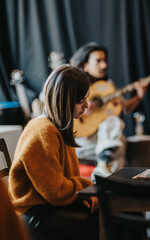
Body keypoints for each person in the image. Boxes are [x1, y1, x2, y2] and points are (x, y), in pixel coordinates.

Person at [8, 65, 99, 240]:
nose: (87, 106)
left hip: (49, 205)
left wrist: (82, 195)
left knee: (118, 212)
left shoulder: (57, 128)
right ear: (65, 100)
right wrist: (87, 187)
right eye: (81, 101)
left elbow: (62, 183)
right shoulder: (43, 131)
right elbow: (55, 192)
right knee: (110, 219)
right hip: (37, 213)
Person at [69, 42, 148, 177]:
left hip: (105, 140)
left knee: (114, 124)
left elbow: (122, 109)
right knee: (118, 141)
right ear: (85, 65)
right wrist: (79, 107)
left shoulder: (108, 86)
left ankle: (105, 169)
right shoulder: (72, 84)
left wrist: (138, 97)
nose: (104, 65)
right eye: (98, 61)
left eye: (105, 60)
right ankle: (110, 176)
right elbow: (55, 109)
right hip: (83, 142)